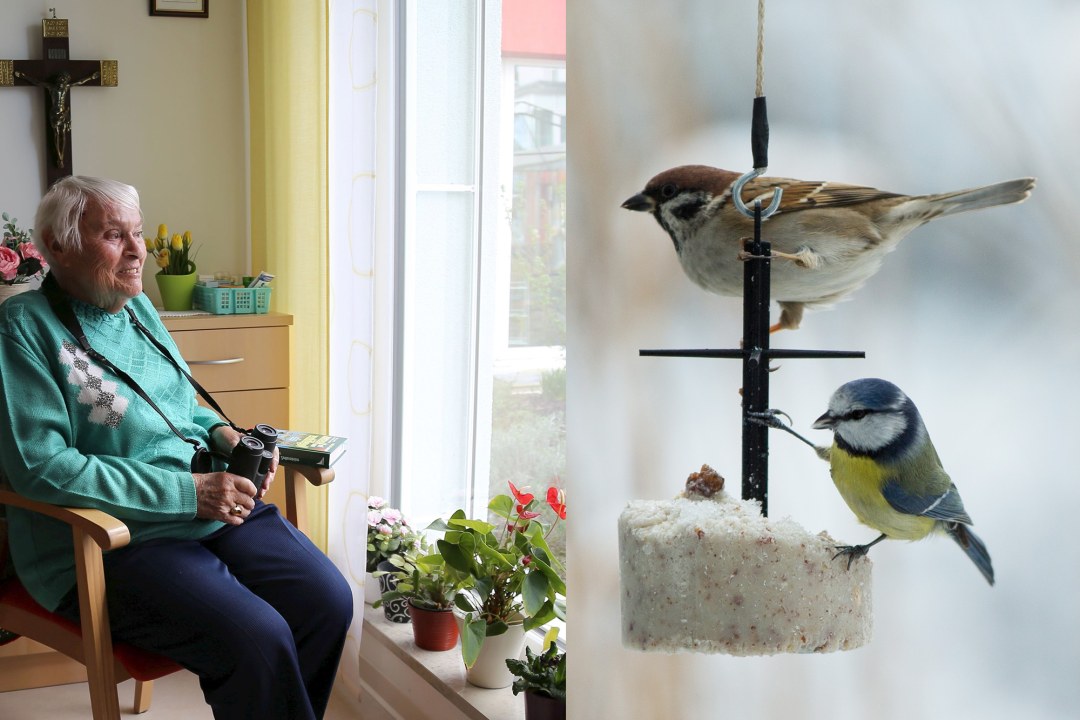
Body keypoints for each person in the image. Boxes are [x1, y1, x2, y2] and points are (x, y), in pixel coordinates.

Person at [0, 176, 353, 720]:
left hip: (208, 507)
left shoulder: (136, 307)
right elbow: (41, 467)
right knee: (256, 639)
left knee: (327, 601)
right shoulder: (24, 327)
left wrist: (223, 434)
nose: (137, 251)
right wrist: (189, 492)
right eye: (114, 235)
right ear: (58, 245)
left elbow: (181, 405)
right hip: (112, 540)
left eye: (138, 233)